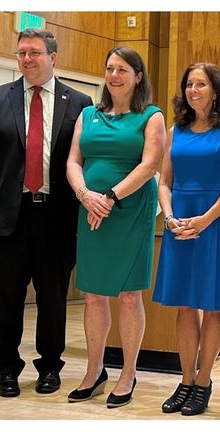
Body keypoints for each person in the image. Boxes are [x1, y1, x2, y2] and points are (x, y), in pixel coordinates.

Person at [0, 28, 92, 398]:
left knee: (53, 299)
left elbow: (85, 158)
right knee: (7, 298)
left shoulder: (80, 102)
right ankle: (6, 370)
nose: (26, 59)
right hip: (7, 216)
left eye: (34, 53)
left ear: (53, 57)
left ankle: (50, 368)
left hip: (58, 217)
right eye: (21, 53)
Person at [65, 46, 166, 408]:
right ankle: (94, 371)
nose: (114, 75)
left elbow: (150, 164)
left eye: (123, 69)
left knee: (127, 294)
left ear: (138, 76)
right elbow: (74, 159)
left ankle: (128, 373)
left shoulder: (150, 116)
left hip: (129, 208)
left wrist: (108, 197)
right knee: (92, 293)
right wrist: (85, 194)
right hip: (90, 207)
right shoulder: (88, 114)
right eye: (109, 68)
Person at [152, 63, 220, 416]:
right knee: (184, 306)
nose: (193, 90)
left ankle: (204, 381)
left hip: (215, 222)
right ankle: (186, 380)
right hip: (181, 222)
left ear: (216, 90)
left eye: (201, 84)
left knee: (212, 304)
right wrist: (171, 216)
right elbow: (164, 180)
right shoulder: (177, 129)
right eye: (189, 84)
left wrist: (205, 220)